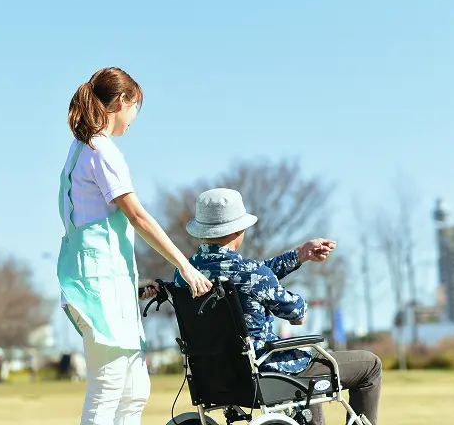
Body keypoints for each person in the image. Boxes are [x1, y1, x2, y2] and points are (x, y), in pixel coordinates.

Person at [56, 67, 212, 424]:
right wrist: (186, 267)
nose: (134, 117)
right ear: (121, 101)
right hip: (99, 288)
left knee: (134, 391)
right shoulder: (100, 149)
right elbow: (138, 217)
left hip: (101, 282)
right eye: (135, 106)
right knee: (108, 387)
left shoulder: (80, 149)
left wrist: (132, 286)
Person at [174, 188, 382, 425]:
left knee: (305, 372)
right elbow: (296, 312)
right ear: (238, 230)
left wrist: (298, 255)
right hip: (265, 372)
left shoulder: (184, 275)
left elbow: (255, 276)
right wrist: (300, 308)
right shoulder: (253, 274)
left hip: (214, 378)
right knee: (370, 366)